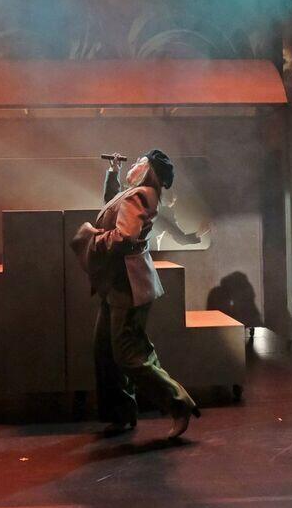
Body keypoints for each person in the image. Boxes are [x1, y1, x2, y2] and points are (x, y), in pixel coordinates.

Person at [71, 150, 200, 440]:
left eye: (141, 162)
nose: (135, 164)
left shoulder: (141, 195)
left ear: (149, 170)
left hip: (129, 286)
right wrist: (113, 173)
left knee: (129, 354)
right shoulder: (134, 194)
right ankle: (121, 414)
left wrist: (91, 238)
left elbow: (124, 237)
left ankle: (179, 404)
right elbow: (111, 207)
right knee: (105, 351)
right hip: (116, 284)